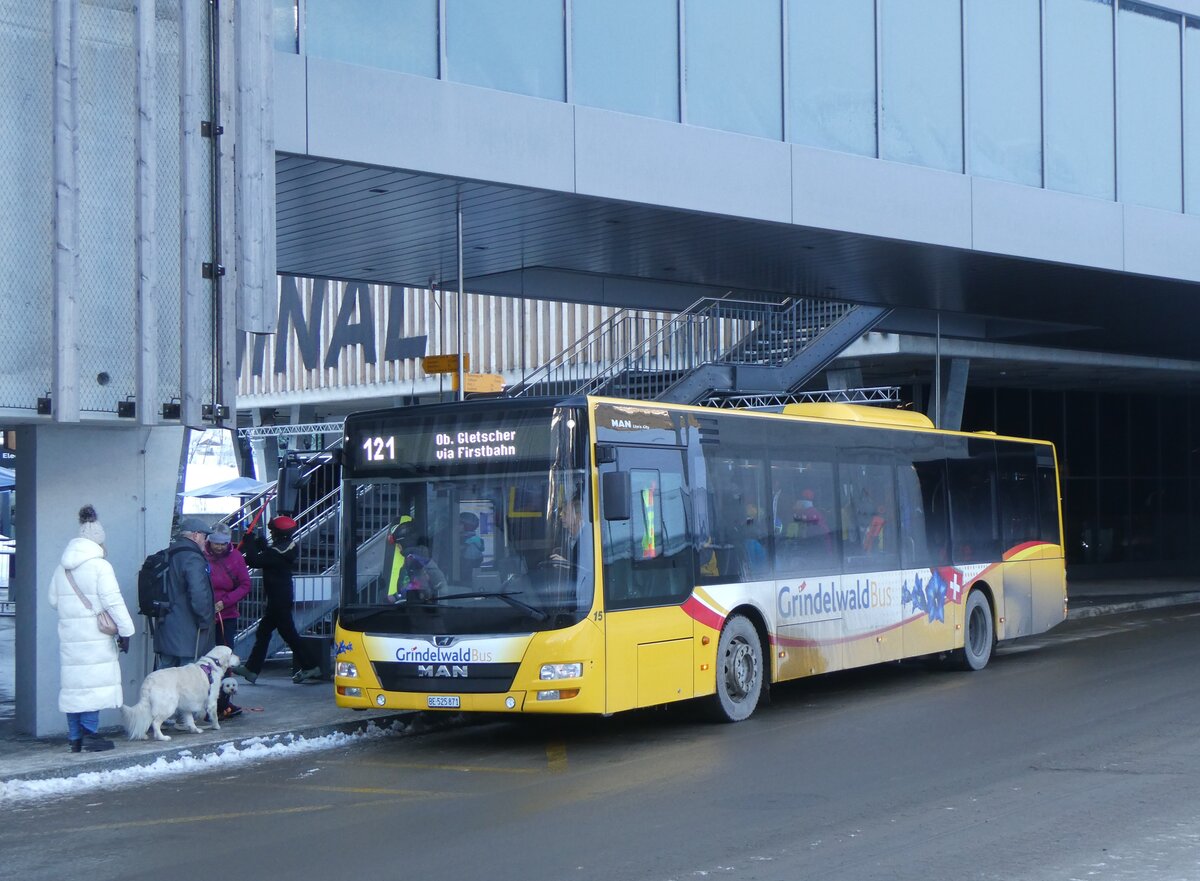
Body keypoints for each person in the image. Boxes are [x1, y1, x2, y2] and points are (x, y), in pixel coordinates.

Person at [47, 505, 136, 753]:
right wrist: (126, 631)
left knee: (76, 686)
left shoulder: (62, 567)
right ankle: (91, 734)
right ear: (98, 542)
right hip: (95, 636)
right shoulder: (100, 566)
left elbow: (53, 600)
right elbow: (113, 601)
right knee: (93, 684)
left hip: (70, 636)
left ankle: (75, 738)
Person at [241, 515, 323, 684]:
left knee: (288, 635)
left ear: (279, 533)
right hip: (279, 598)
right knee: (265, 632)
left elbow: (254, 560)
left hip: (278, 600)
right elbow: (268, 555)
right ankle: (251, 669)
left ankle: (311, 666)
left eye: (272, 530)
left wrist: (249, 540)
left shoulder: (278, 552)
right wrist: (261, 544)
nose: (271, 532)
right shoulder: (286, 547)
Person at [153, 516, 214, 671]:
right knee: (188, 683)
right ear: (196, 535)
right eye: (204, 537)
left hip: (165, 626)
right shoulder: (193, 558)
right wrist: (206, 619)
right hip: (187, 632)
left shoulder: (167, 553)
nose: (205, 541)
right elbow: (198, 593)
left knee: (163, 680)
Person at [205, 529, 251, 719]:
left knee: (224, 660)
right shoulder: (201, 555)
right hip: (204, 614)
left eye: (224, 544)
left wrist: (225, 602)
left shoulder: (236, 557)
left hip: (227, 614)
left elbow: (245, 585)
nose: (220, 547)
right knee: (205, 661)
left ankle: (223, 704)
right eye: (216, 543)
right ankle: (205, 703)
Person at [383, 515, 446, 604]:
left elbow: (417, 586)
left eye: (399, 545)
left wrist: (396, 597)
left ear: (405, 542)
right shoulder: (420, 555)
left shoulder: (414, 559)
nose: (398, 548)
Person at [458, 511, 485, 586]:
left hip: (466, 578)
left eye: (459, 524)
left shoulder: (470, 540)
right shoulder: (461, 537)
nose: (456, 526)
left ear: (467, 526)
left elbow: (469, 564)